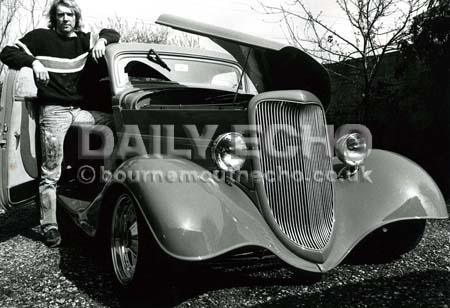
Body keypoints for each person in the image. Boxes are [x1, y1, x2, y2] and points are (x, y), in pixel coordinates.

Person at [0, 0, 120, 247]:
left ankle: (105, 191)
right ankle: (49, 225)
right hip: (54, 111)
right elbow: (7, 52)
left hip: (79, 111)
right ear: (54, 18)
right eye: (60, 15)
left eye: (70, 15)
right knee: (51, 171)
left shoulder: (84, 41)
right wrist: (33, 62)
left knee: (116, 123)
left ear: (77, 17)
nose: (66, 19)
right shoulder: (40, 38)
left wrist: (101, 41)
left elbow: (113, 33)